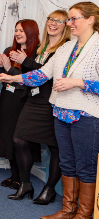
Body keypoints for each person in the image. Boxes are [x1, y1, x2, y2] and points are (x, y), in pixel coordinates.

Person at [0, 2, 99, 219]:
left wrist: (78, 83)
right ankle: (67, 209)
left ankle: (84, 217)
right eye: (69, 19)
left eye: (74, 19)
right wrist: (14, 78)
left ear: (91, 20)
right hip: (60, 111)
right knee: (67, 164)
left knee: (85, 167)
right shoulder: (66, 48)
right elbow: (42, 74)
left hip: (86, 116)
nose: (69, 24)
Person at [10, 11, 71, 205]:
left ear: (66, 25)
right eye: (51, 20)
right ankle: (25, 183)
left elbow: (48, 75)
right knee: (19, 140)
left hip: (51, 101)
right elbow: (32, 72)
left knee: (55, 148)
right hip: (33, 99)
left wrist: (25, 62)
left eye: (59, 21)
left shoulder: (65, 48)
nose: (53, 24)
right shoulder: (40, 47)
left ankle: (49, 189)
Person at [0, 20, 40, 195]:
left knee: (21, 139)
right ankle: (14, 175)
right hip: (8, 99)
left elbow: (31, 78)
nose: (18, 33)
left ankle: (22, 178)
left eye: (21, 30)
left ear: (31, 32)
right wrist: (0, 65)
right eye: (16, 30)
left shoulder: (37, 52)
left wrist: (8, 69)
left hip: (25, 100)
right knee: (8, 136)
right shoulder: (9, 50)